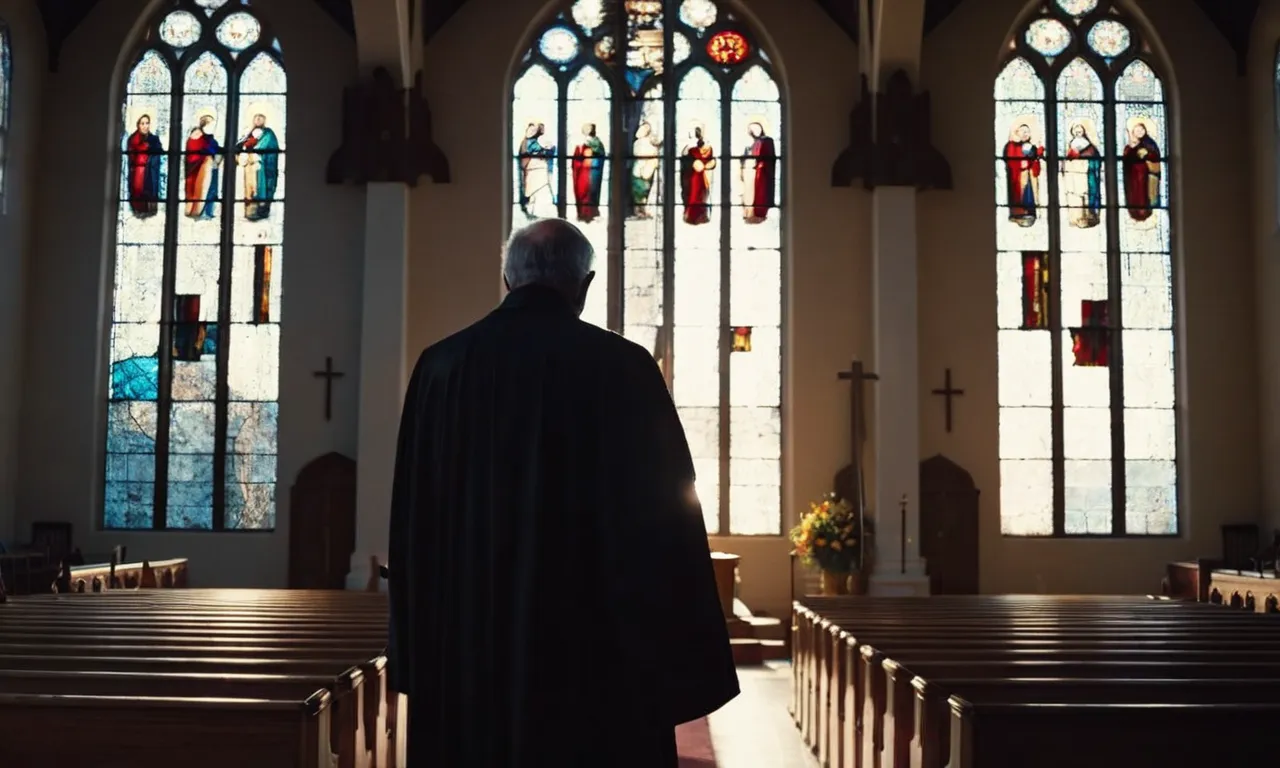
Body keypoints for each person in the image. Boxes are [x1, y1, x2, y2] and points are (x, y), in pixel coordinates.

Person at [387, 218, 739, 767]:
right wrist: (682, 655)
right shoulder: (626, 368)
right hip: (600, 659)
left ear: (507, 278)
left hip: (469, 649)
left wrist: (414, 648)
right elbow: (671, 518)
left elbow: (414, 520)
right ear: (586, 283)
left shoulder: (441, 367)